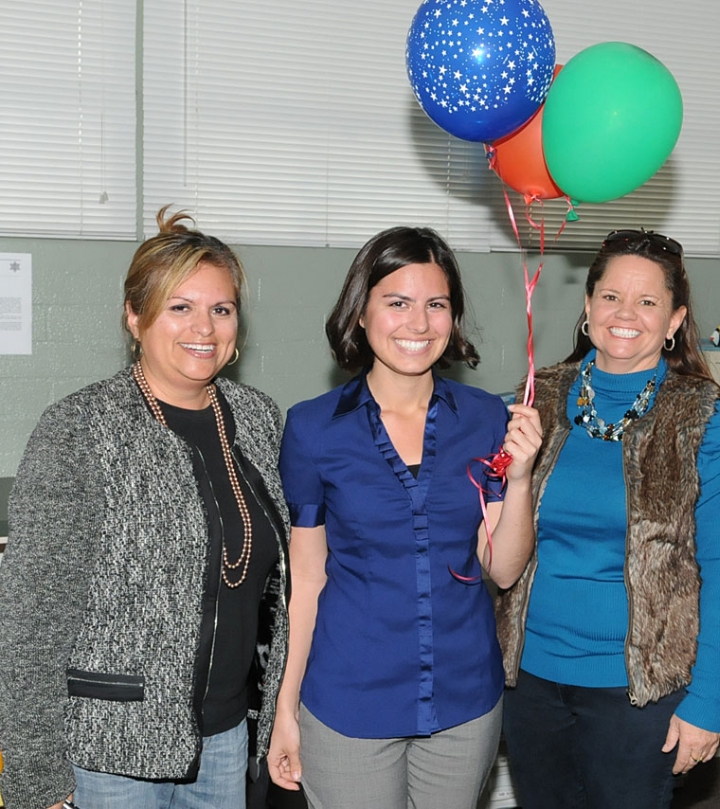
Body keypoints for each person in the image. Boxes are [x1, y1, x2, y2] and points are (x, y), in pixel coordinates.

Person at [0, 208, 290, 809]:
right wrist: (37, 776)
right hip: (110, 751)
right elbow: (32, 618)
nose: (203, 328)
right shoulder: (81, 428)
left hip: (227, 737)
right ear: (135, 316)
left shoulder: (260, 419)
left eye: (221, 308)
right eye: (179, 307)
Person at [266, 226, 542, 809]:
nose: (418, 323)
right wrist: (284, 708)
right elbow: (306, 583)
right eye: (397, 303)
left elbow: (505, 568)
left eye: (435, 304)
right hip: (349, 699)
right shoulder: (314, 428)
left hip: (463, 697)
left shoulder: (486, 417)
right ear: (360, 314)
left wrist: (519, 481)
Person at [495, 229, 720, 809]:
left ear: (675, 319)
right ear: (588, 306)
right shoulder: (537, 399)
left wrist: (707, 699)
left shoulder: (703, 421)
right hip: (530, 679)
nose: (625, 314)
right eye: (610, 296)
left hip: (638, 689)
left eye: (648, 302)